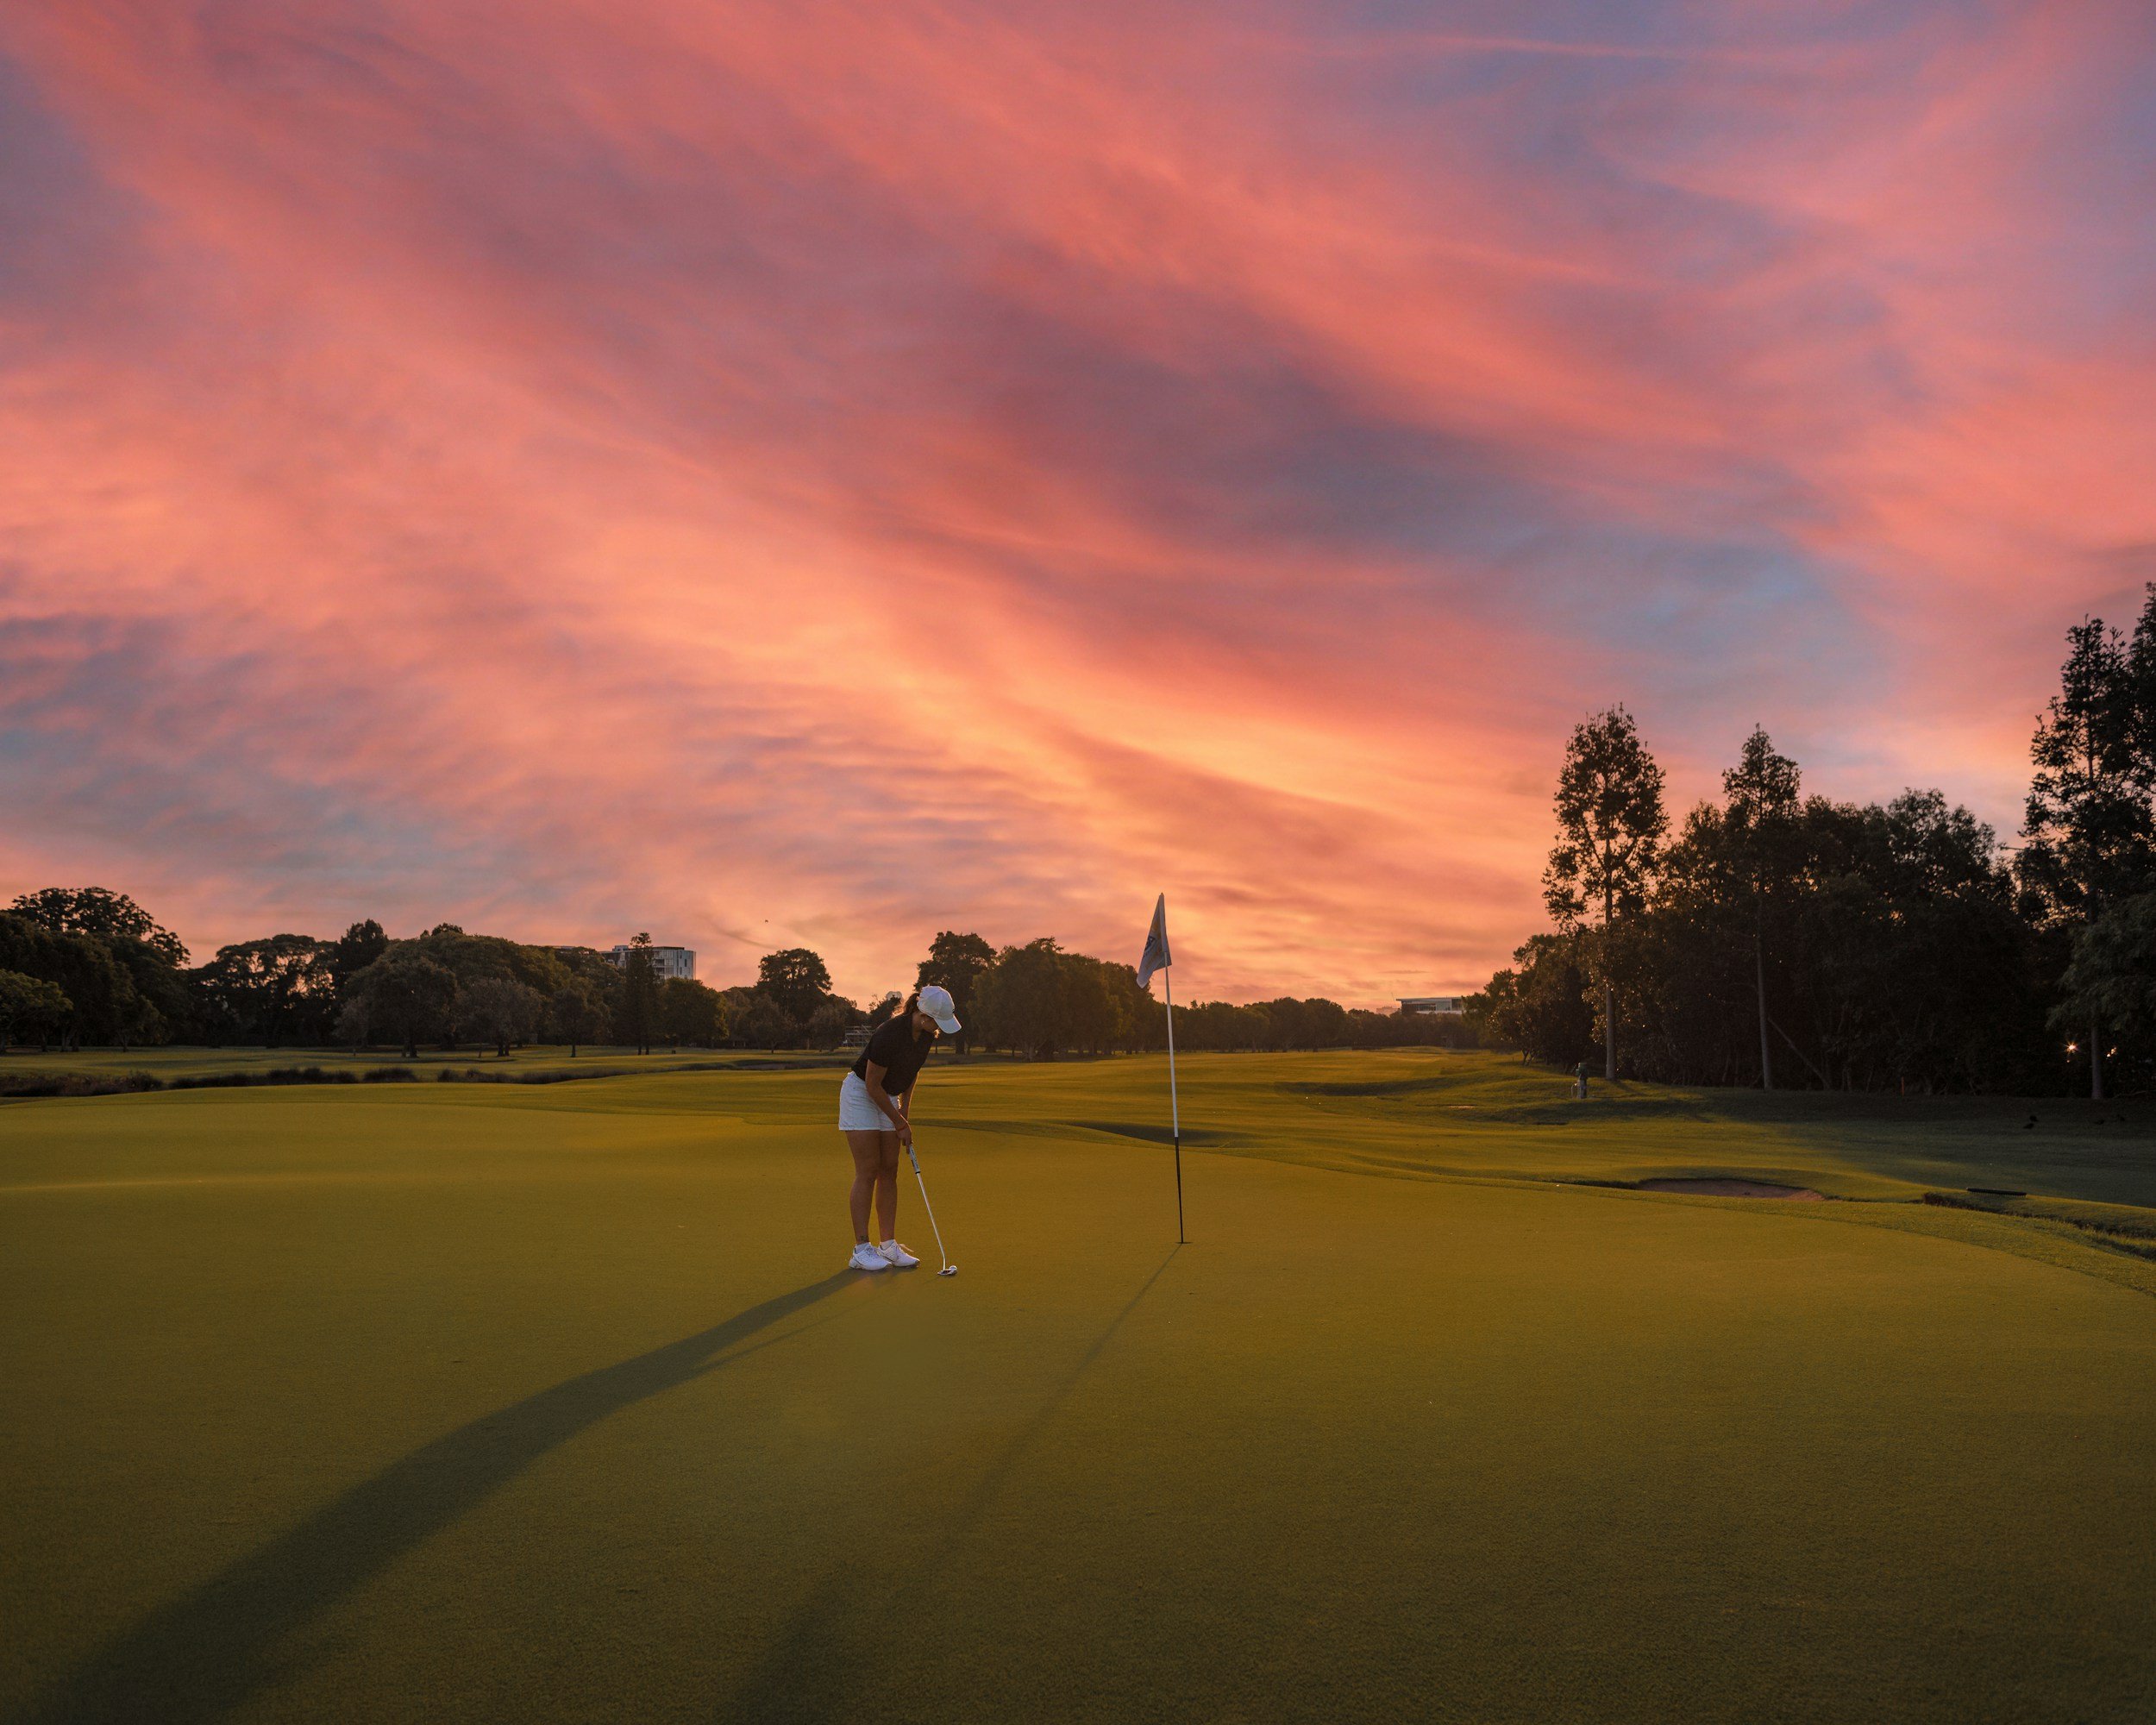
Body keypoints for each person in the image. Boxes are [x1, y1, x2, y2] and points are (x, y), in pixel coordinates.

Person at [839, 984, 961, 1270]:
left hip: (888, 1095)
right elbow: (871, 1084)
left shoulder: (927, 1036)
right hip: (861, 1093)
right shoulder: (890, 1034)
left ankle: (888, 1246)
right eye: (936, 1022)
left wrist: (904, 1112)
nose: (937, 1029)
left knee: (889, 1169)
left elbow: (911, 1074)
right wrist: (898, 1121)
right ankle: (860, 1249)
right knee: (868, 1169)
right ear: (922, 1014)